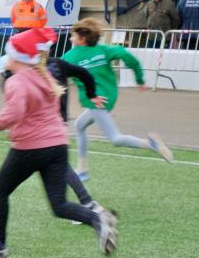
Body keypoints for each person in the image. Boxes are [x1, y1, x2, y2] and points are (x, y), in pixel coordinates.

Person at [0, 30, 118, 258]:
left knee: (0, 188)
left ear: (16, 57)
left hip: (30, 148)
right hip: (58, 145)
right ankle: (97, 219)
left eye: (8, 53)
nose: (5, 59)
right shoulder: (43, 76)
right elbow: (26, 112)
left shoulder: (15, 81)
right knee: (59, 205)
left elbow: (14, 113)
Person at [62, 18, 173, 181]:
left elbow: (55, 69)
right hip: (108, 96)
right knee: (79, 125)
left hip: (97, 100)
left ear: (82, 39)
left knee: (115, 139)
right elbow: (126, 55)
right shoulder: (103, 49)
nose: (71, 39)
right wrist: (140, 79)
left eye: (73, 36)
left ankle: (151, 144)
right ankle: (82, 169)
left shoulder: (71, 56)